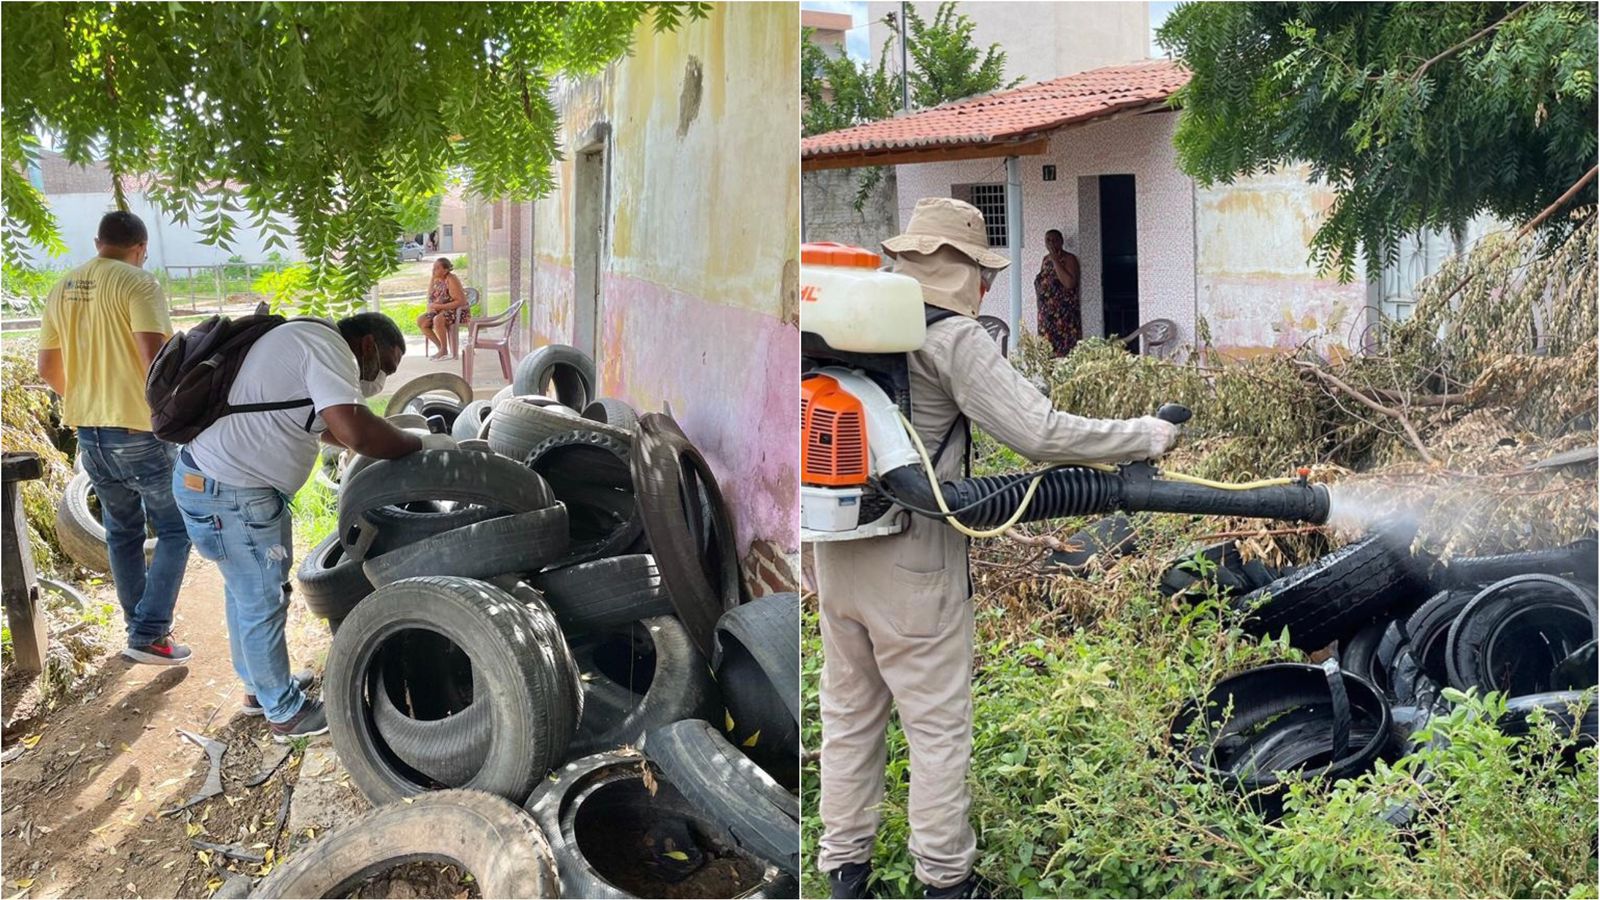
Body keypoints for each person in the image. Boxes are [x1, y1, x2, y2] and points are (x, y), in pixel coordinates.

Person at [814, 198, 1178, 899]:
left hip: (839, 546)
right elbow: (1038, 432)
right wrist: (1142, 436)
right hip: (913, 561)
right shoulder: (951, 336)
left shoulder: (850, 324)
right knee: (937, 727)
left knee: (849, 714)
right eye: (982, 274)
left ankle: (844, 870)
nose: (985, 288)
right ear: (965, 272)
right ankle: (947, 880)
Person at [172, 312, 452, 740]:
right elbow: (356, 431)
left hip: (217, 484)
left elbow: (320, 425)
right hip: (230, 492)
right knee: (262, 599)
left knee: (246, 592)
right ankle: (284, 712)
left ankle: (259, 688)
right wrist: (421, 444)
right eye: (386, 365)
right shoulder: (327, 347)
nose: (381, 380)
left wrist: (373, 439)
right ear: (367, 345)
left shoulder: (307, 340)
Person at [36, 211, 194, 666]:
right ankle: (149, 633)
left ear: (97, 242)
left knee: (123, 533)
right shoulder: (138, 283)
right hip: (138, 430)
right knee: (177, 529)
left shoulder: (62, 287)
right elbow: (155, 359)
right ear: (141, 248)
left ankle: (138, 630)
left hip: (89, 433)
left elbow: (47, 368)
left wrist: (89, 400)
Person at [1034, 228, 1081, 357]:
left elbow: (1069, 284)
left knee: (1065, 353)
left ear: (1061, 241)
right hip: (1046, 315)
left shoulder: (1069, 259)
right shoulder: (1045, 260)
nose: (1051, 243)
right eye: (1048, 240)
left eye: (1054, 240)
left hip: (1063, 315)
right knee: (1047, 353)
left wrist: (1055, 260)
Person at [417, 257, 469, 360]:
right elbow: (430, 297)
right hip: (440, 310)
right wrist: (432, 279)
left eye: (437, 268)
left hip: (456, 311)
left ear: (445, 270)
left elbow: (461, 301)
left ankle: (444, 349)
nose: (433, 270)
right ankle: (441, 348)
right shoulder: (436, 279)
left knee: (438, 319)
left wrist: (439, 307)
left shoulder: (451, 279)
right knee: (422, 321)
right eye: (433, 267)